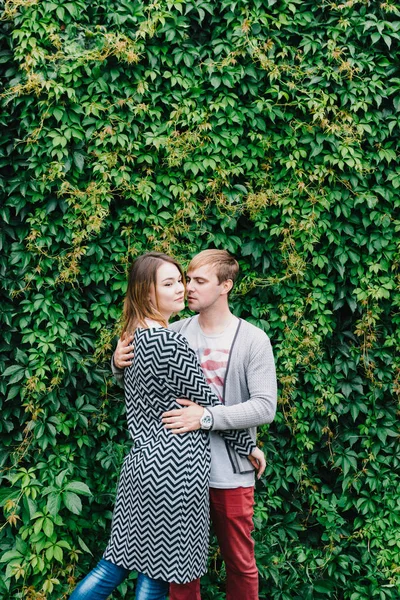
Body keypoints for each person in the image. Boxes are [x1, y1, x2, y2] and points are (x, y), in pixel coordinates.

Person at [70, 252, 265, 600]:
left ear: (226, 286)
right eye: (175, 282)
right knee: (160, 577)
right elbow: (206, 400)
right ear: (148, 293)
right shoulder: (173, 338)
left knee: (128, 568)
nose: (184, 289)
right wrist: (247, 445)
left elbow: (261, 406)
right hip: (175, 469)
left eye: (191, 281)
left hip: (152, 464)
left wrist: (120, 363)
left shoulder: (249, 339)